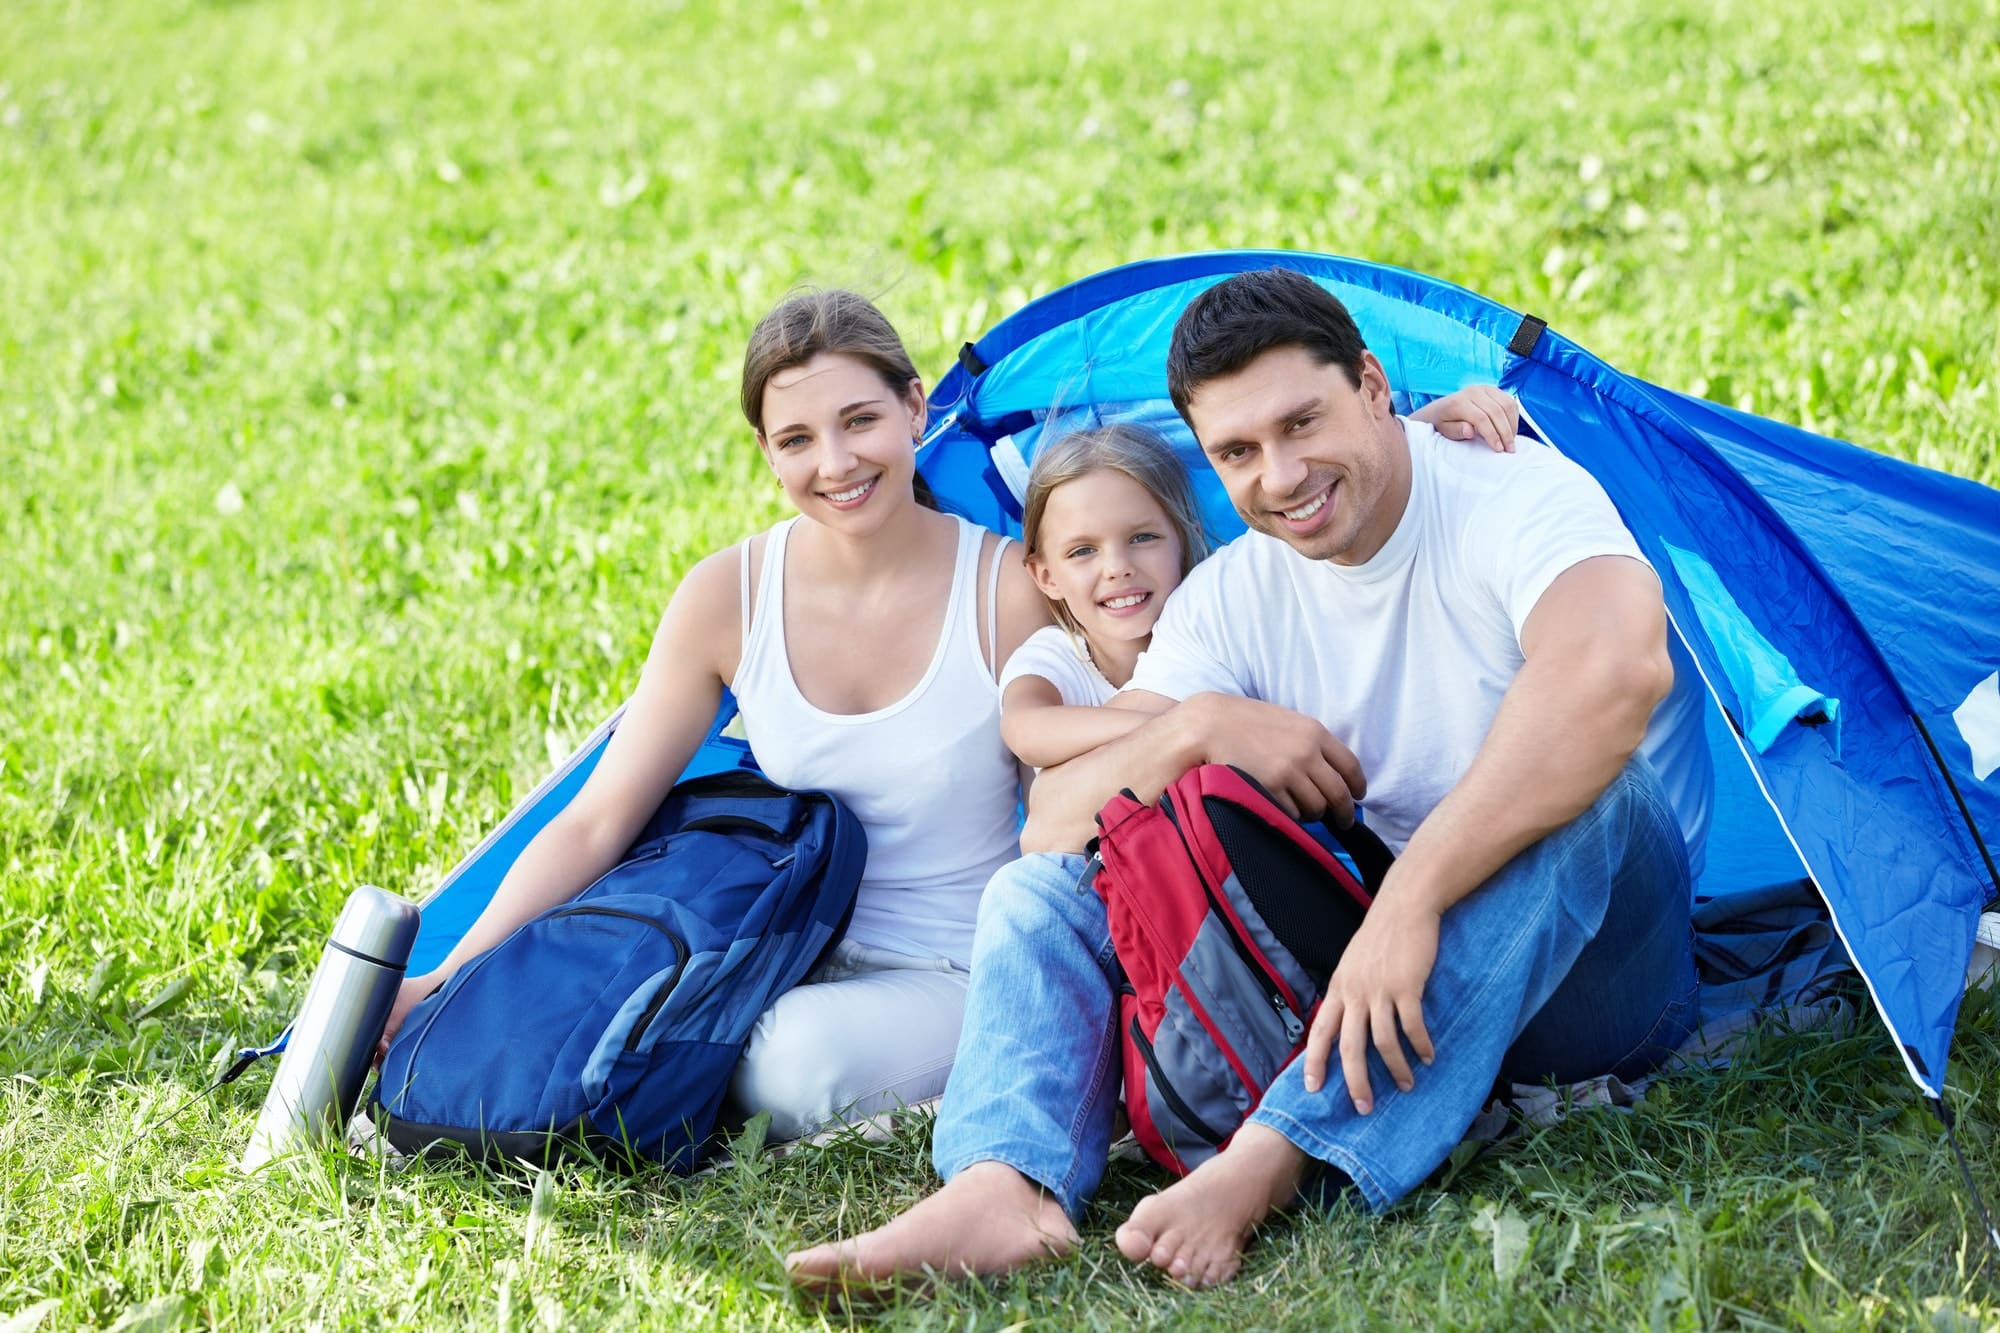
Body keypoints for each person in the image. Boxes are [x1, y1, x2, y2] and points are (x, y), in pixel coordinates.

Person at [786, 267, 1711, 1288]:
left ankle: (1274, 1158)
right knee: (1044, 891)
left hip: (1588, 985)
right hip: (1363, 974)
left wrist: (1411, 898)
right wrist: (1195, 728)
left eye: (1300, 422)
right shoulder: (1236, 595)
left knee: (1598, 799)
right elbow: (1050, 822)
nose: (1279, 475)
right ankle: (1004, 1181)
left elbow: (1611, 669)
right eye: (1236, 451)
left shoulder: (1506, 488)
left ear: (1369, 385)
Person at [379, 288, 1051, 1142]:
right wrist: (448, 978)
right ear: (768, 454)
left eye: (860, 421)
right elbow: (596, 819)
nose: (837, 462)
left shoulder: (1007, 591)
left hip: (951, 964)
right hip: (763, 948)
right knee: (605, 1012)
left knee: (785, 1064)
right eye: (799, 439)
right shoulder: (727, 594)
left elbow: (1063, 829)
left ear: (915, 408)